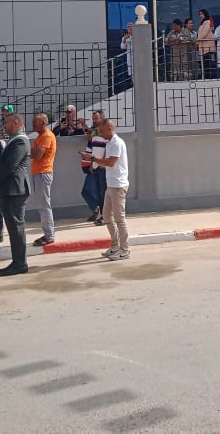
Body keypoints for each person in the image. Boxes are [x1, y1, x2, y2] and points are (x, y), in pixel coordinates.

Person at [0, 112, 31, 276]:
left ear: (16, 123)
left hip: (15, 190)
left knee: (16, 227)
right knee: (14, 227)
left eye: (7, 122)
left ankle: (20, 263)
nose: (4, 125)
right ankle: (17, 262)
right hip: (11, 189)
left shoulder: (20, 141)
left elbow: (10, 165)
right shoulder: (15, 140)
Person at [96, 119, 130, 261]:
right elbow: (104, 163)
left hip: (118, 185)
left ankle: (125, 249)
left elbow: (110, 162)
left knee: (119, 218)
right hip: (110, 185)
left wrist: (93, 159)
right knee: (107, 216)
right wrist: (95, 160)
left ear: (110, 129)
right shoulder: (109, 143)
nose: (101, 134)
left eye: (102, 131)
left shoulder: (117, 143)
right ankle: (115, 246)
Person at [27, 113, 56, 247]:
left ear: (44, 122)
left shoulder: (46, 136)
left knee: (44, 206)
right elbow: (33, 153)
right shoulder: (40, 137)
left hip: (43, 173)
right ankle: (48, 234)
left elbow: (37, 155)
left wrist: (33, 151)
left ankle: (49, 235)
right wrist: (33, 151)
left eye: (36, 122)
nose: (33, 124)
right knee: (42, 206)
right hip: (39, 173)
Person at [80, 111, 107, 225]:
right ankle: (100, 213)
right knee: (98, 192)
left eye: (96, 118)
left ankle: (103, 215)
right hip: (95, 166)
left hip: (102, 166)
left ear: (102, 118)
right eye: (93, 118)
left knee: (102, 192)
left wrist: (103, 162)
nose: (94, 121)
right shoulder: (95, 131)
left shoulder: (105, 131)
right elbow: (92, 143)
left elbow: (107, 148)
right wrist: (92, 163)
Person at [196, 9, 216, 79]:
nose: (200, 15)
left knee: (208, 64)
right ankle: (206, 77)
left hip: (207, 46)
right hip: (203, 47)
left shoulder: (207, 22)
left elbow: (204, 34)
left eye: (202, 14)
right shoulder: (202, 23)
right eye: (199, 14)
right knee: (205, 64)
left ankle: (209, 77)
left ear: (205, 14)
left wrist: (197, 41)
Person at [119, 22, 134, 88]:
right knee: (132, 74)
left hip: (138, 58)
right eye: (128, 27)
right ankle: (134, 86)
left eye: (131, 26)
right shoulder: (124, 37)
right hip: (130, 58)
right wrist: (125, 39)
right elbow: (122, 47)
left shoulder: (138, 35)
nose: (130, 28)